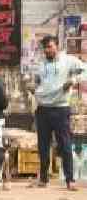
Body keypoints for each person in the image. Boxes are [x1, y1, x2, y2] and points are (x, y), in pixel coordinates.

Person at [30, 36, 84, 191]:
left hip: (61, 108)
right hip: (43, 109)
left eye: (50, 46)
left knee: (65, 145)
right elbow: (37, 81)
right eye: (45, 48)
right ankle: (44, 178)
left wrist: (73, 81)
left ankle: (70, 180)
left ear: (57, 46)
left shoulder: (68, 61)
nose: (48, 50)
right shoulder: (40, 64)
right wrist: (33, 88)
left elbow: (85, 70)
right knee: (43, 146)